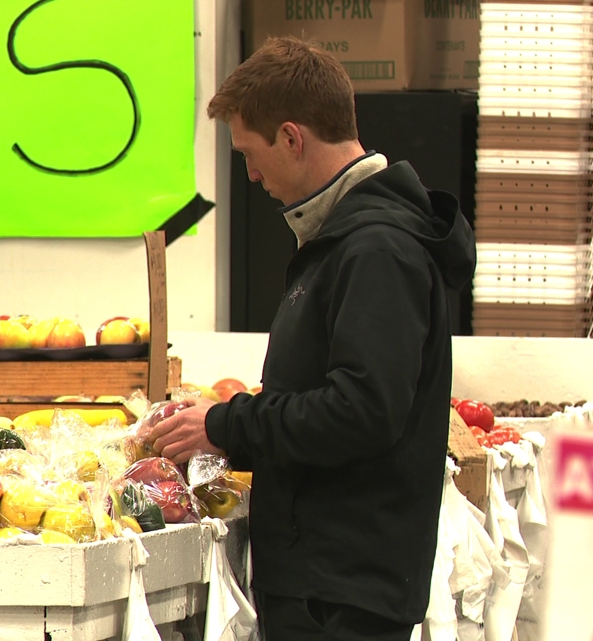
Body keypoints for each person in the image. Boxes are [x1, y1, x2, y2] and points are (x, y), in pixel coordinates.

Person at [142, 37, 476, 640]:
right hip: (326, 581)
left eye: (250, 152)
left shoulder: (376, 250)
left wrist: (225, 425)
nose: (250, 173)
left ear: (292, 138)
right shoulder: (346, 240)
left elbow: (362, 411)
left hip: (339, 593)